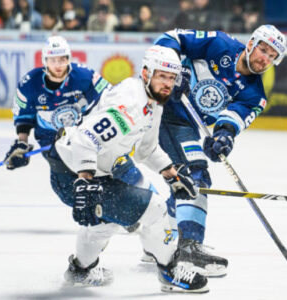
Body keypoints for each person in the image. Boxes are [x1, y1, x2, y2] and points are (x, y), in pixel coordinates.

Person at [52, 45, 208, 292]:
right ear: (146, 73)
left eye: (172, 78)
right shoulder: (130, 105)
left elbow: (147, 148)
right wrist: (85, 180)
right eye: (162, 76)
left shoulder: (153, 101)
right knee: (156, 210)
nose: (167, 84)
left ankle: (80, 270)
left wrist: (170, 172)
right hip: (76, 169)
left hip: (80, 166)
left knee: (107, 221)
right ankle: (170, 272)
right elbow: (85, 139)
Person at [153, 25, 286, 277]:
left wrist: (223, 138)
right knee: (195, 174)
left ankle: (162, 241)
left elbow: (231, 122)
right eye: (263, 50)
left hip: (181, 124)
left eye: (272, 56)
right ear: (251, 43)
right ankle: (188, 248)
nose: (265, 59)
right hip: (159, 106)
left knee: (191, 179)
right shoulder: (219, 44)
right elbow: (170, 38)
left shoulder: (255, 95)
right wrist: (171, 69)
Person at [5, 35, 109, 172]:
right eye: (53, 60)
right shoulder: (29, 84)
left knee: (100, 172)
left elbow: (109, 97)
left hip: (83, 135)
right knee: (68, 177)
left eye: (62, 59)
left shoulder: (84, 76)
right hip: (49, 140)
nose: (58, 65)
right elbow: (24, 116)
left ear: (69, 59)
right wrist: (22, 143)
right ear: (45, 61)